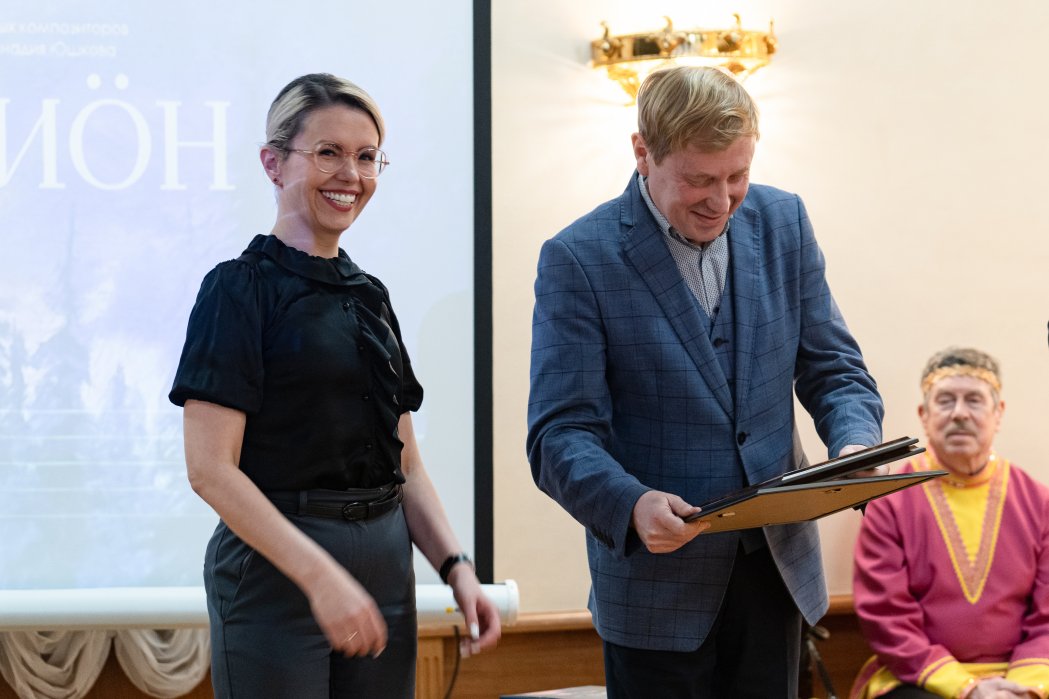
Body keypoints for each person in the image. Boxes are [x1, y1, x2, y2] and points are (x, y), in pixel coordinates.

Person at [526, 65, 884, 698]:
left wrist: (855, 444)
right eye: (699, 180)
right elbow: (560, 434)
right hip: (655, 593)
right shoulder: (578, 258)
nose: (721, 201)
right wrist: (630, 503)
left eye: (736, 176)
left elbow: (835, 370)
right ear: (643, 152)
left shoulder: (784, 221)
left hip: (777, 574)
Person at [168, 73, 500, 699]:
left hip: (385, 564)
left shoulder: (370, 296)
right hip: (277, 573)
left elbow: (407, 464)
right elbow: (210, 470)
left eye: (367, 156)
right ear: (273, 163)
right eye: (328, 152)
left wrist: (456, 567)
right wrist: (320, 576)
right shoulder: (238, 289)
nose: (351, 174)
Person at [851, 348, 1049, 699]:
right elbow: (887, 617)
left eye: (974, 400)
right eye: (945, 401)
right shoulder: (890, 502)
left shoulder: (1038, 502)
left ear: (998, 413)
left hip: (1025, 673)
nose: (959, 413)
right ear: (924, 415)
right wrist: (968, 689)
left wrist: (1024, 690)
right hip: (920, 677)